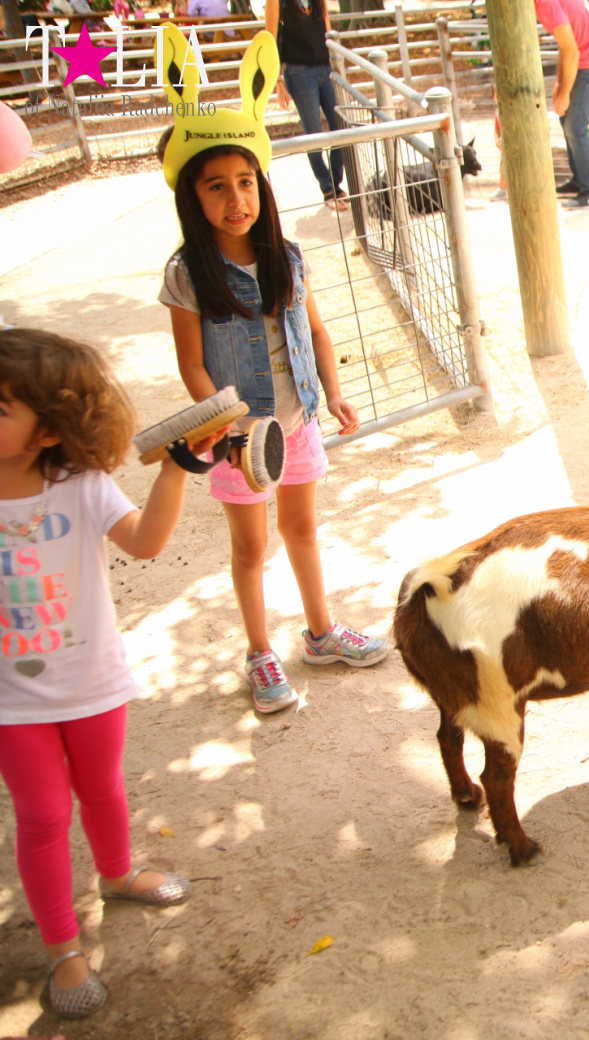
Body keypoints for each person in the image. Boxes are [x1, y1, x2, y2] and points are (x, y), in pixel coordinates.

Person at [156, 42, 389, 714]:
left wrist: (333, 393)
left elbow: (316, 331)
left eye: (246, 181)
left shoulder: (286, 256)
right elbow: (191, 363)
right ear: (191, 195)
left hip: (299, 421)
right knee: (250, 547)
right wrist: (228, 428)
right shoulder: (186, 275)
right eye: (216, 185)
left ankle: (320, 634)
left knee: (304, 529)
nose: (236, 198)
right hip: (241, 438)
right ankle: (259, 653)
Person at [0, 328, 213, 1020]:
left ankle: (117, 873)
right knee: (41, 815)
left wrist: (175, 470)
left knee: (101, 788)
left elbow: (145, 543)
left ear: (47, 431)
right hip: (11, 699)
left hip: (92, 681)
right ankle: (63, 946)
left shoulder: (83, 487)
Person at [266, 0, 348, 211]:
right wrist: (278, 82)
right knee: (313, 132)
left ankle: (336, 183)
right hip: (298, 72)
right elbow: (270, 40)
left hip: (326, 68)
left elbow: (328, 32)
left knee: (340, 125)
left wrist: (337, 66)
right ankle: (327, 189)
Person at [538, 0, 589, 208]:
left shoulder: (545, 4)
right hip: (586, 59)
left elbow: (571, 51)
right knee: (566, 121)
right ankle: (579, 181)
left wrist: (565, 94)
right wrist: (559, 83)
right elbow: (566, 43)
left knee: (576, 127)